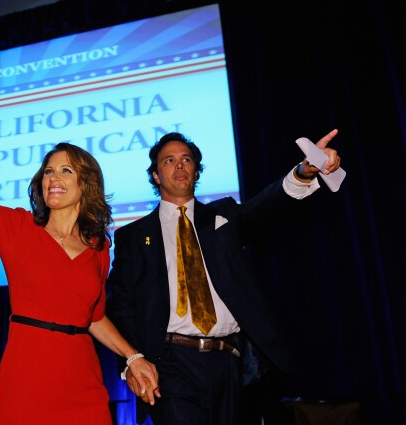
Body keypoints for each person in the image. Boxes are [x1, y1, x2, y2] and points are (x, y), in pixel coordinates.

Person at [0, 86, 160, 425]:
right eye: (49, 170)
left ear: (86, 184)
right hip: (27, 376)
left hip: (83, 380)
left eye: (66, 171)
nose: (54, 178)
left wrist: (133, 356)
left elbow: (93, 318)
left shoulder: (99, 246)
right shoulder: (18, 227)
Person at [105, 130, 342, 424]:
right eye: (169, 160)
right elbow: (121, 305)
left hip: (228, 361)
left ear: (196, 170)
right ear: (155, 175)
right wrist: (130, 363)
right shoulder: (133, 236)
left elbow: (264, 208)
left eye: (186, 159)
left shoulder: (224, 216)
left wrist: (303, 172)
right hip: (168, 362)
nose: (179, 166)